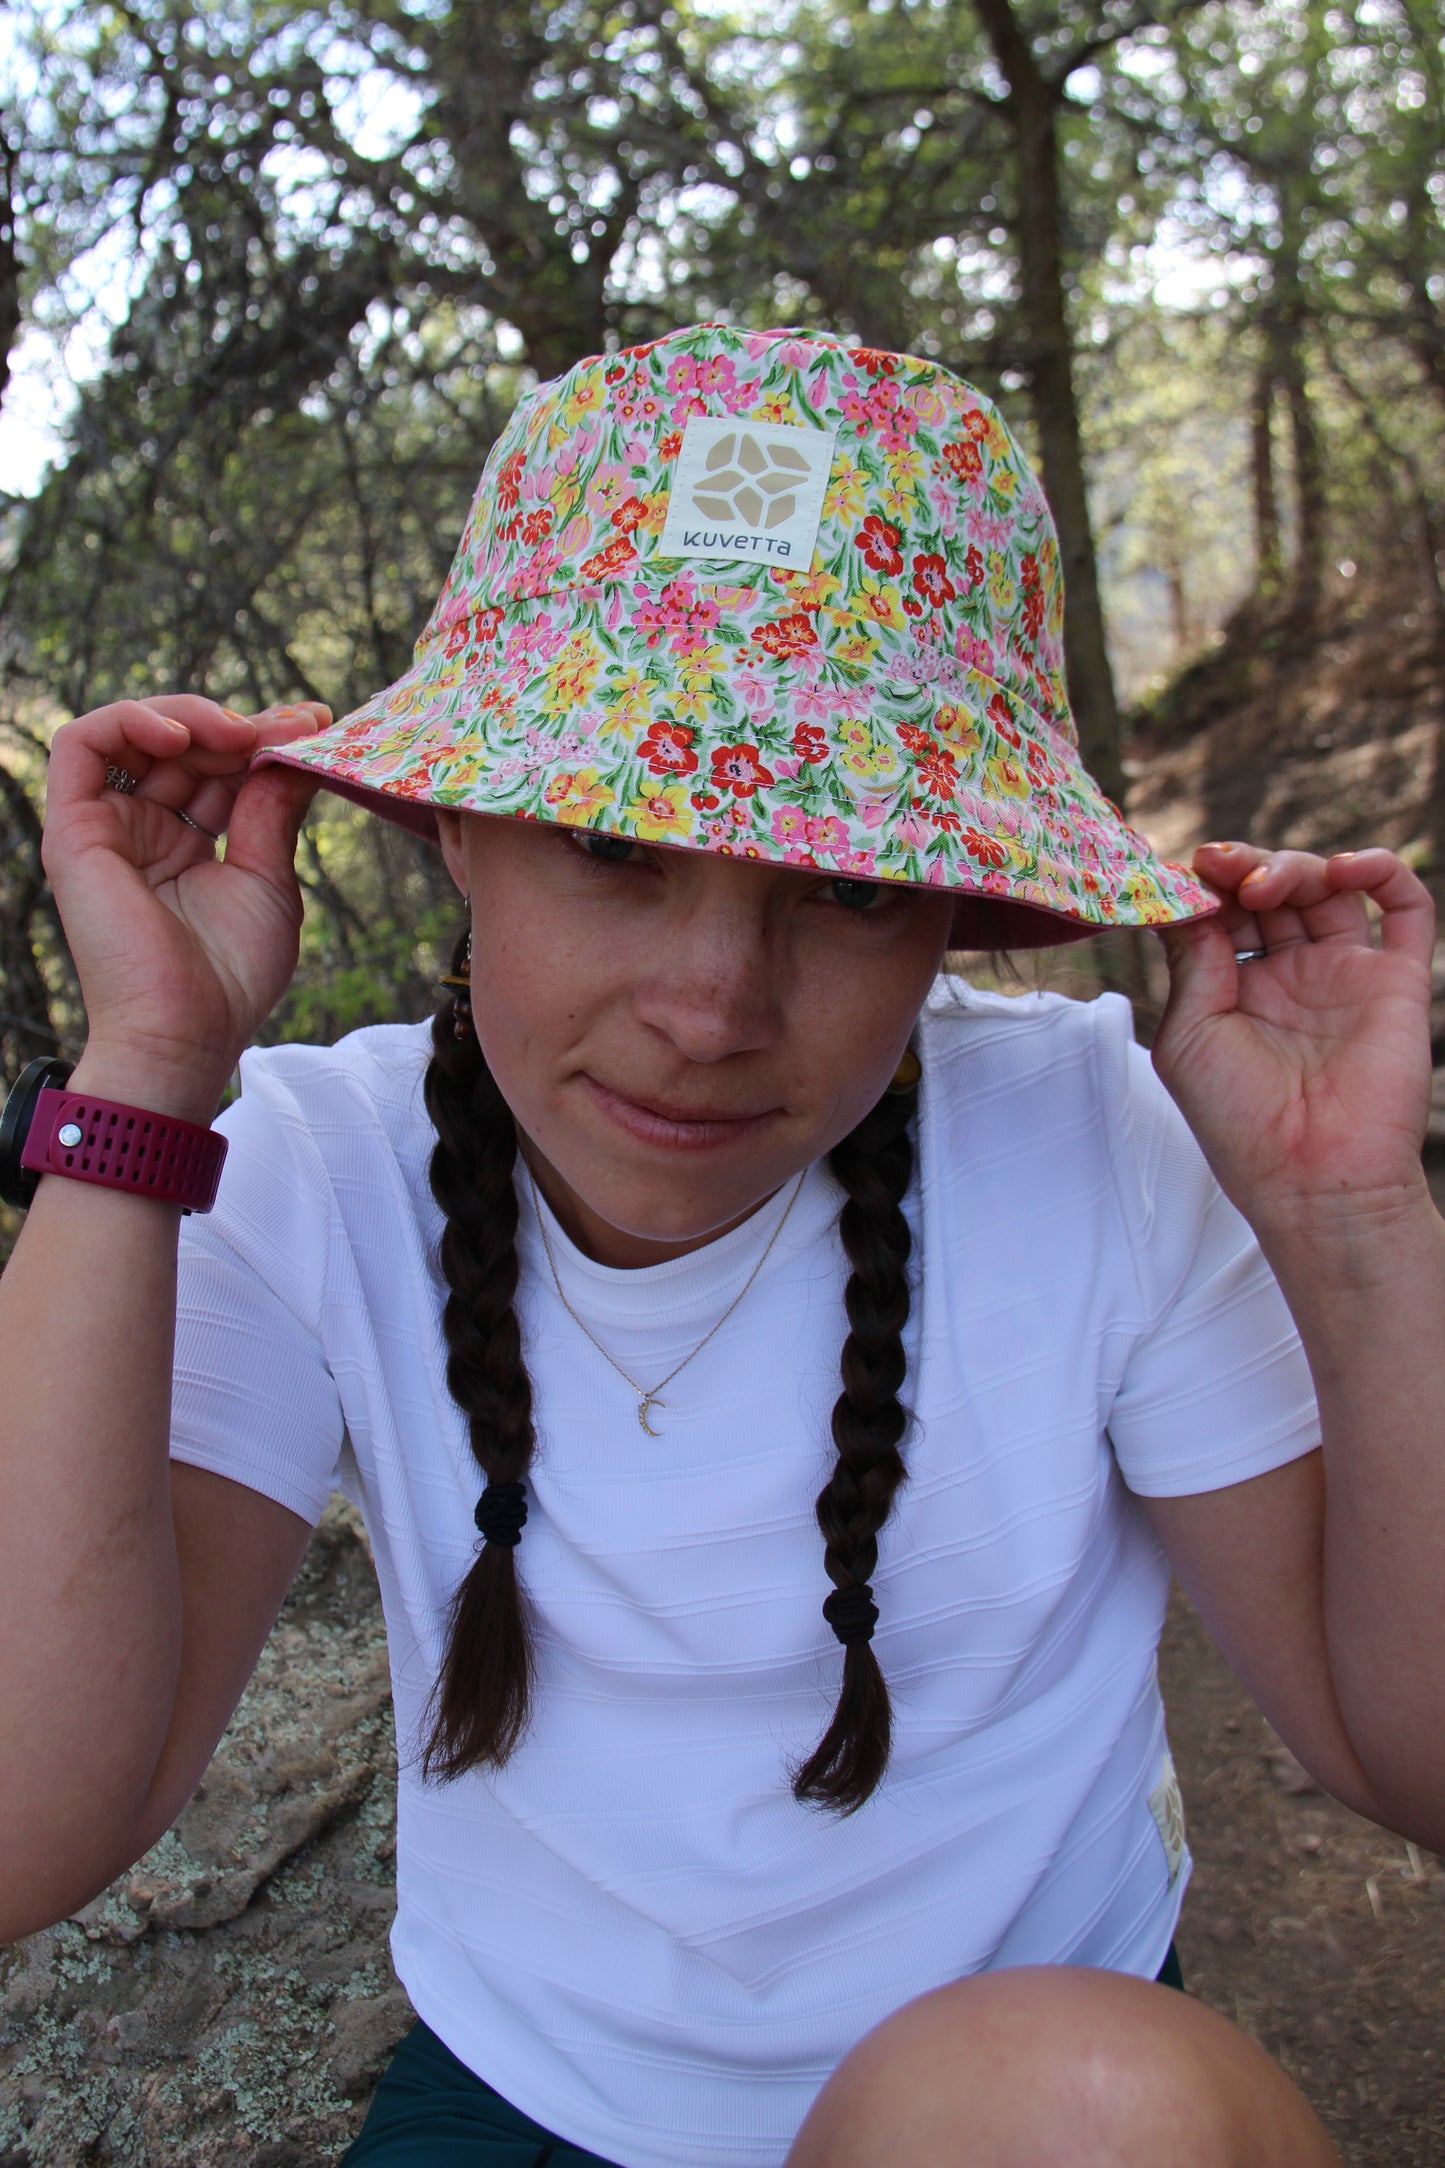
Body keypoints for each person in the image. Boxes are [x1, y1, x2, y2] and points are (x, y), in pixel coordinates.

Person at [1, 324, 1441, 2168]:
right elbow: (34, 1819)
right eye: (615, 845)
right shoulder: (306, 1165)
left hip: (1012, 2099)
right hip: (531, 2098)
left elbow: (1403, 1754)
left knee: (1098, 2112)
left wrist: (1350, 1215)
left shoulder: (1097, 1139)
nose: (710, 1003)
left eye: (844, 889)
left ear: (948, 920)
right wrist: (143, 1083)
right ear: (458, 826)